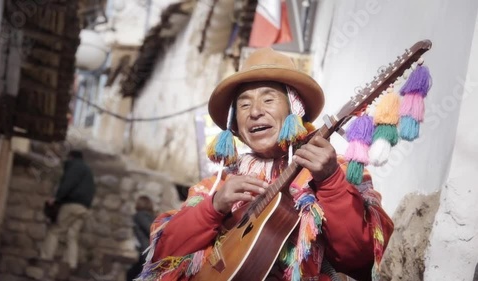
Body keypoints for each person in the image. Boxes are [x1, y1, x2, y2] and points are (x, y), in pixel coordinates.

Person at [136, 48, 394, 281]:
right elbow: (162, 256)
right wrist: (214, 207)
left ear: (295, 110)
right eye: (244, 104)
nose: (255, 111)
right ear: (234, 126)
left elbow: (361, 261)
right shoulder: (218, 186)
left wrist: (330, 182)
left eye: (268, 100)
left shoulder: (337, 170)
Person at [40, 150, 96, 270]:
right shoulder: (87, 170)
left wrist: (56, 198)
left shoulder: (74, 166)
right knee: (72, 235)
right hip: (84, 208)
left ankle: (45, 258)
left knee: (55, 230)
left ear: (70, 157)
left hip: (71, 204)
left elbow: (68, 184)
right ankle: (71, 263)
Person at [127, 196, 156, 281]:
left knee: (134, 275)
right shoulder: (152, 217)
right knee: (133, 273)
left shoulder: (140, 215)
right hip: (148, 250)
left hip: (146, 250)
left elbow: (150, 229)